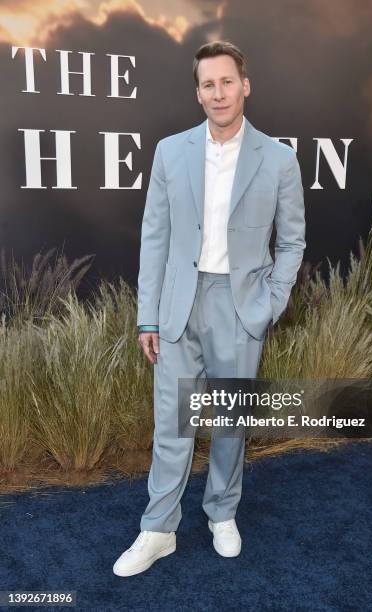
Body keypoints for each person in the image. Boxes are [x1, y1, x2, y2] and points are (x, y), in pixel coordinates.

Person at [113, 40, 306, 577]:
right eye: (207, 84)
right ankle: (158, 530)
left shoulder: (280, 159)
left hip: (242, 307)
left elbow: (292, 242)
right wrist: (147, 316)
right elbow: (155, 237)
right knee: (171, 424)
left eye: (226, 82)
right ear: (197, 93)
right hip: (178, 301)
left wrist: (269, 303)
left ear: (245, 86)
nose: (217, 93)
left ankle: (222, 513)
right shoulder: (171, 152)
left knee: (228, 423)